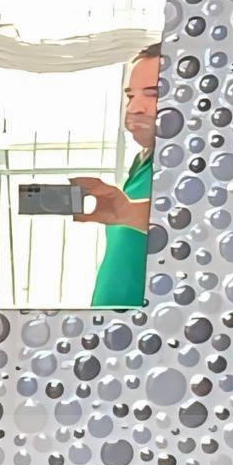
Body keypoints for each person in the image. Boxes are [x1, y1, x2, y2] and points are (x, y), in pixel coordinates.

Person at [68, 43, 164, 305]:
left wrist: (127, 212)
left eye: (153, 94)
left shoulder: (196, 165)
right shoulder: (143, 161)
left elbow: (191, 221)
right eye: (130, 96)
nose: (135, 108)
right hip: (109, 320)